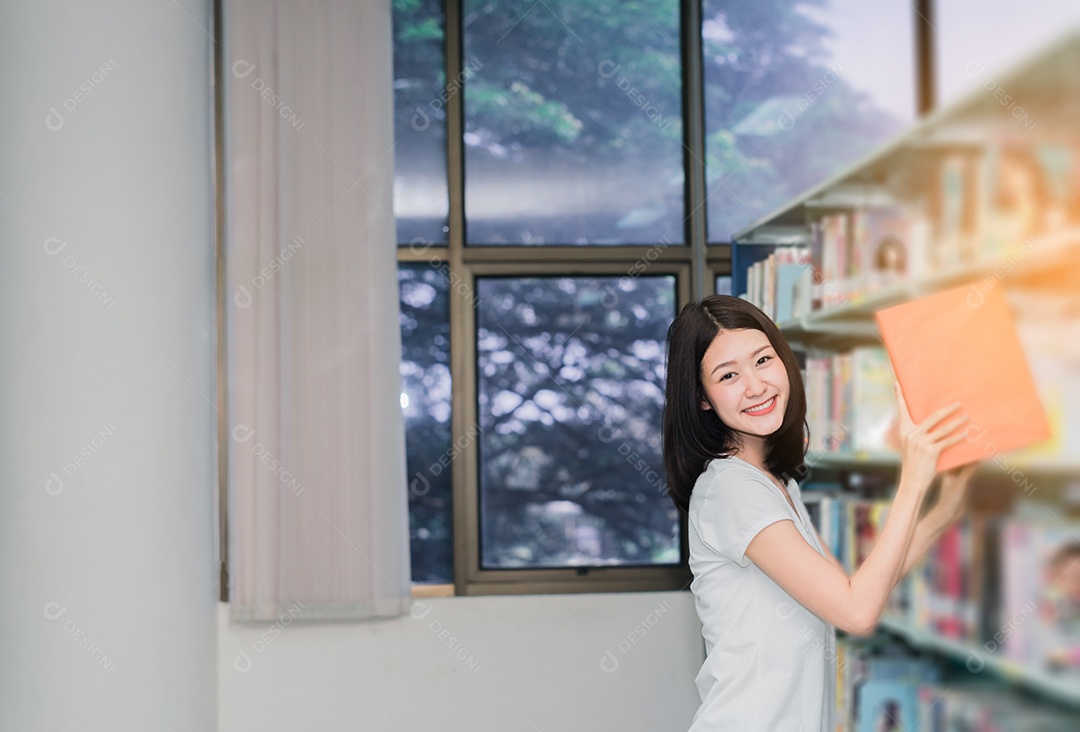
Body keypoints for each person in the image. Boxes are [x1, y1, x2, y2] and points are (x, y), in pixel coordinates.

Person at [661, 294, 979, 731]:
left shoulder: (775, 482)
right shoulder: (731, 489)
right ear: (701, 398)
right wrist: (913, 481)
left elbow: (855, 591)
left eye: (763, 360)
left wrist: (944, 511)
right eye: (728, 375)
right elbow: (857, 613)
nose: (755, 386)